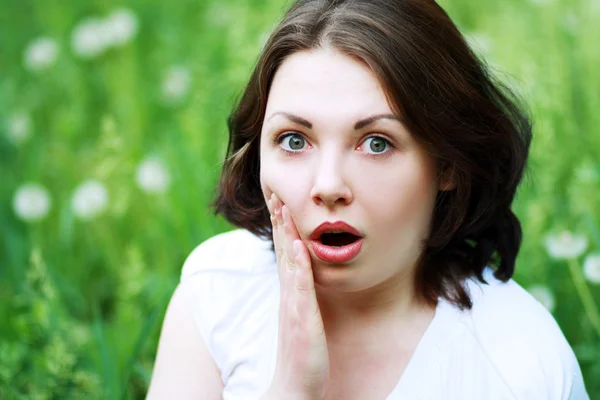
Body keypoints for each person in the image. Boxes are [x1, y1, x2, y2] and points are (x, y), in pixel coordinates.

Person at [147, 0, 590, 399]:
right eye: (294, 140)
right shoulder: (217, 296)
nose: (328, 185)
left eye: (376, 143)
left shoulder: (523, 367)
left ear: (447, 166)